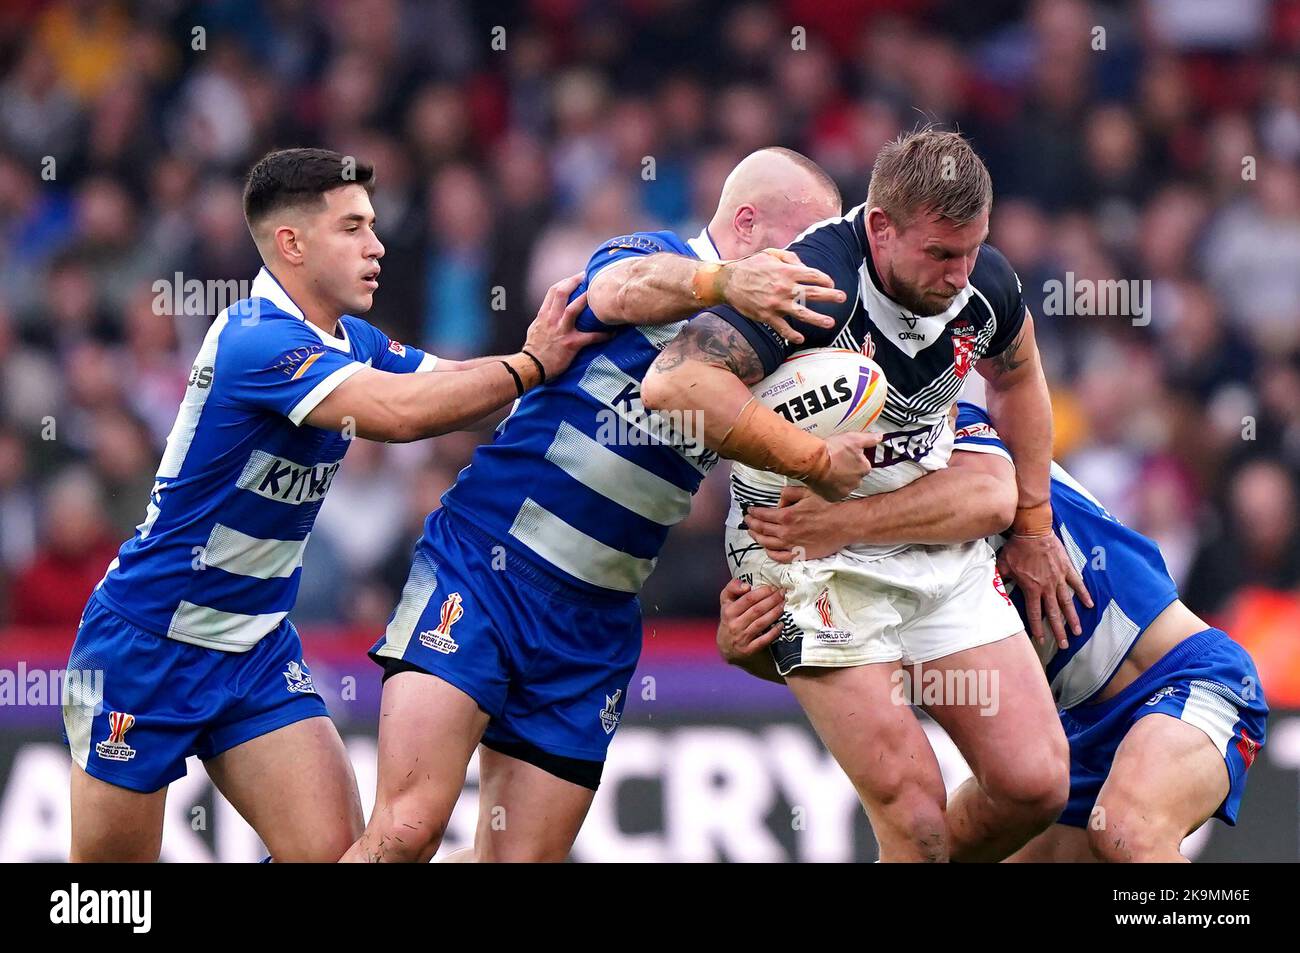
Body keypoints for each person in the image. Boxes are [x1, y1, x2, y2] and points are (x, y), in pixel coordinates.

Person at [62, 147, 599, 862]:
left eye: (374, 226)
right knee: (108, 903)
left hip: (253, 648)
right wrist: (530, 365)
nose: (377, 245)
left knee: (339, 854)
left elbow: (455, 388)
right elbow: (402, 413)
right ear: (292, 243)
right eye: (353, 228)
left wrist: (574, 358)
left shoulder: (353, 340)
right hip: (145, 644)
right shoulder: (256, 339)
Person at [347, 147, 868, 862]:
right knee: (408, 829)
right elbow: (620, 288)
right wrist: (723, 281)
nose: (817, 269)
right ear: (747, 225)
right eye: (806, 247)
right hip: (485, 567)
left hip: (594, 625)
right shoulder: (654, 256)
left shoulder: (766, 354)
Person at [642, 128, 1088, 862]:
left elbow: (1018, 375)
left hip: (927, 540)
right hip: (803, 553)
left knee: (1035, 783)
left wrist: (1035, 526)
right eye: (941, 254)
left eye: (973, 248)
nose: (960, 272)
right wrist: (812, 456)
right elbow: (674, 383)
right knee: (917, 816)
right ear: (880, 228)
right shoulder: (811, 285)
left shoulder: (985, 283)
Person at [721, 400, 1269, 862]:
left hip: (1182, 675)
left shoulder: (940, 429)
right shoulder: (844, 561)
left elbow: (991, 497)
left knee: (1127, 832)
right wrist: (750, 650)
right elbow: (863, 673)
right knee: (932, 854)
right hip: (1066, 737)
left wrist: (837, 526)